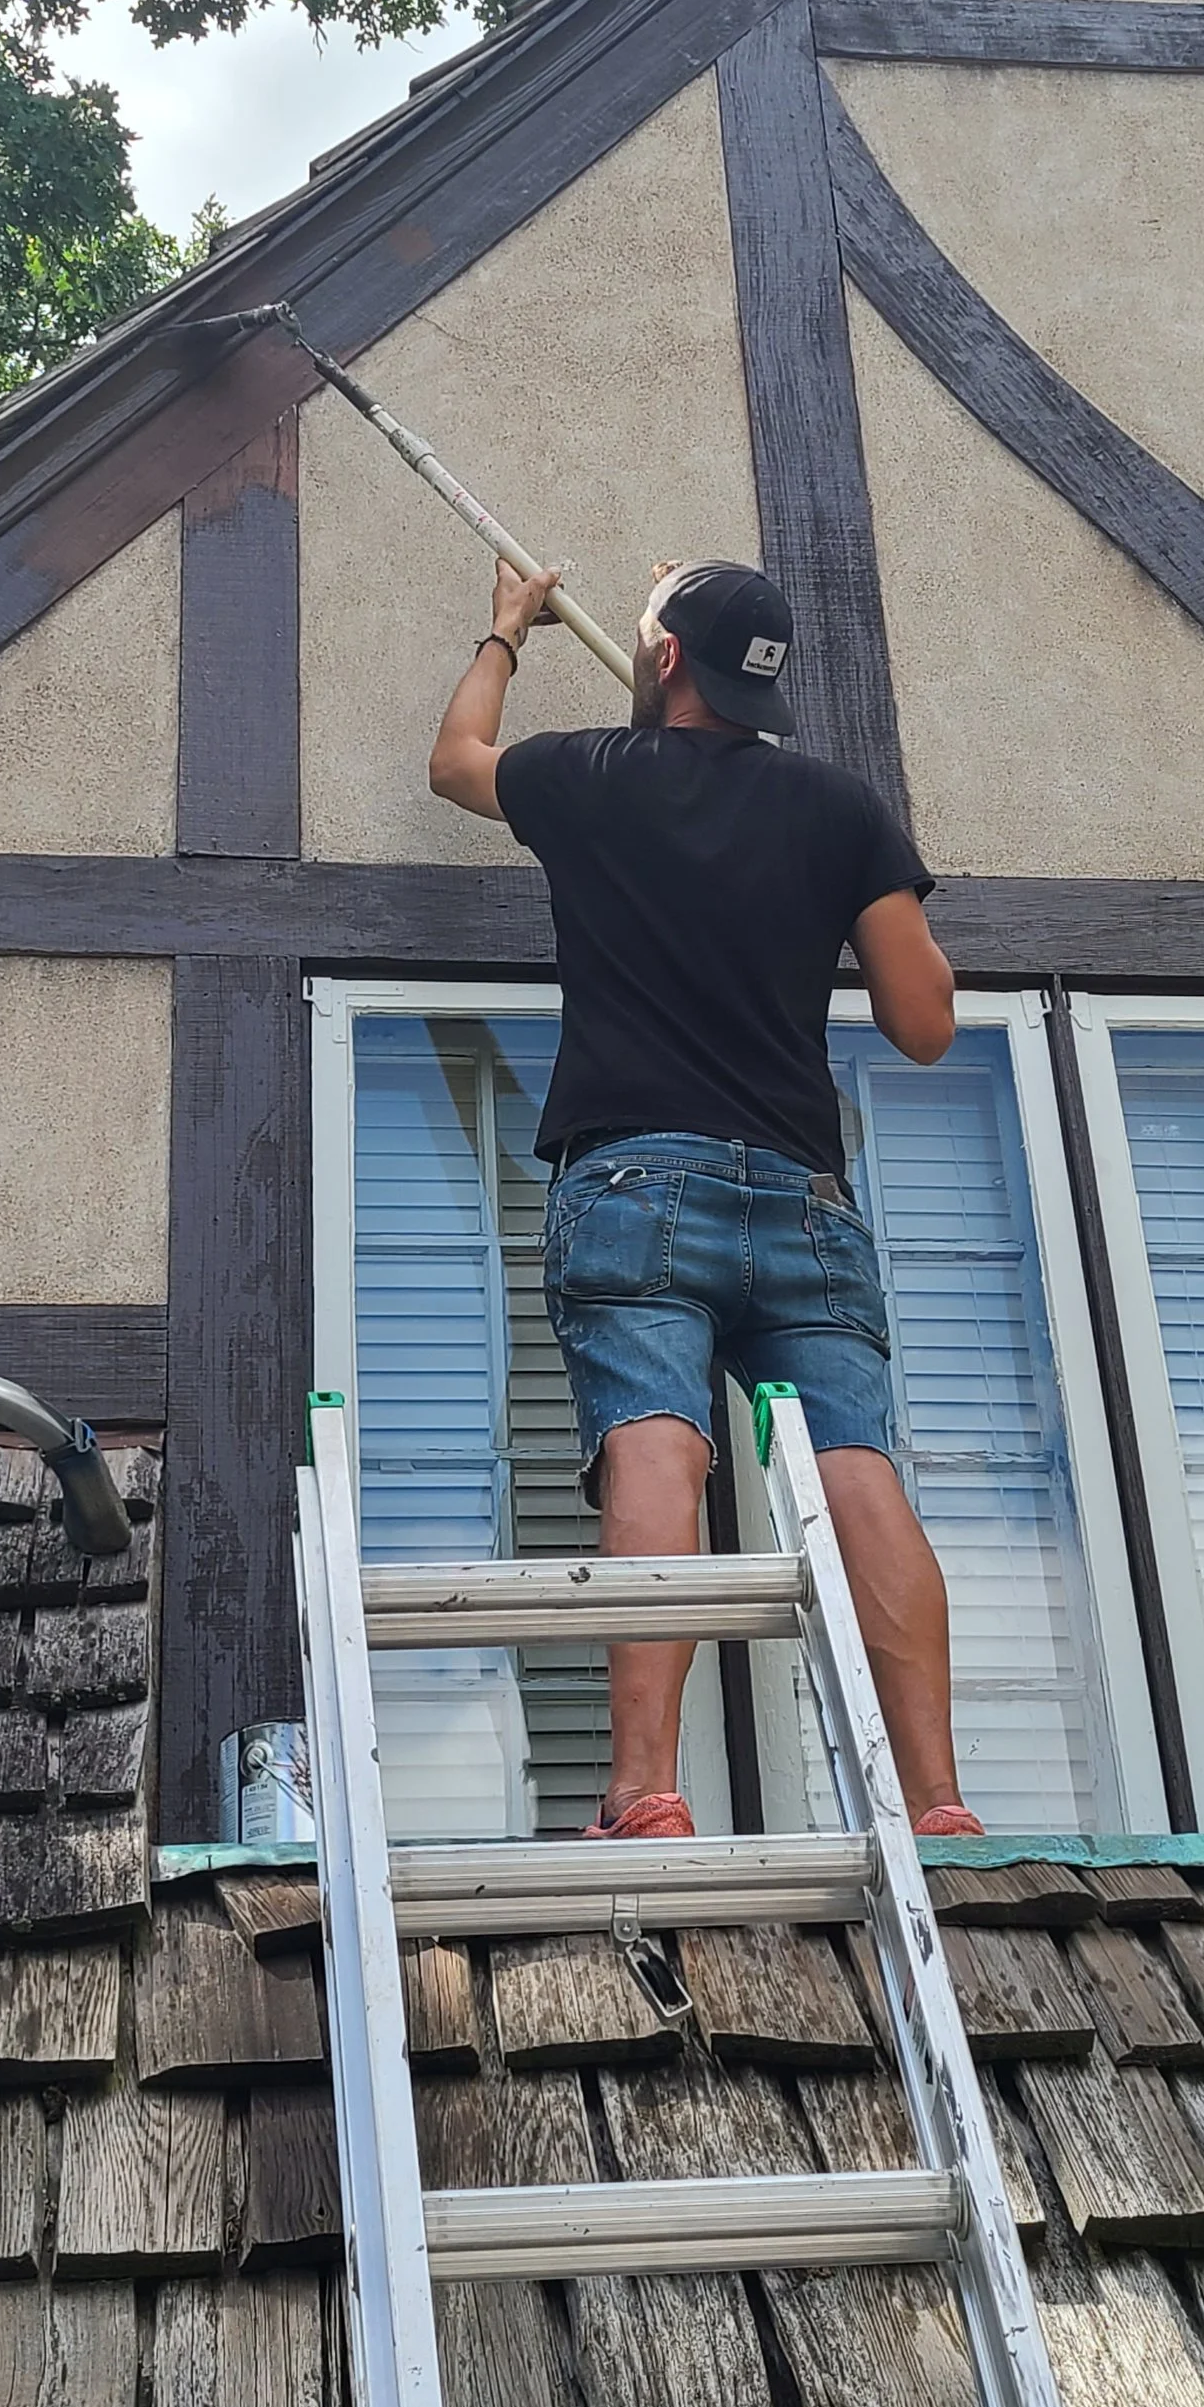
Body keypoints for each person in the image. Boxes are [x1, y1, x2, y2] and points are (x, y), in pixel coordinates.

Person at [428, 549, 984, 1844]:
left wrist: (504, 632)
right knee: (858, 1470)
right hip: (801, 1194)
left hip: (637, 1183)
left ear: (665, 659)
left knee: (656, 1445)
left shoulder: (592, 779)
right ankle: (940, 1803)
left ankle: (645, 1793)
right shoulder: (841, 811)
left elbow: (455, 761)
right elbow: (925, 1027)